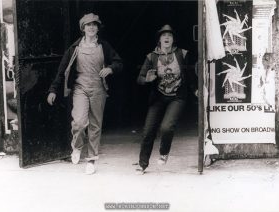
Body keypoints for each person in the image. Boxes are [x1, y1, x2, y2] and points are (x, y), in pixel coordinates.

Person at [47, 13, 123, 174]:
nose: (92, 27)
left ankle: (92, 160)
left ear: (98, 28)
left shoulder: (104, 46)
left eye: (95, 25)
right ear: (83, 28)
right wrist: (53, 89)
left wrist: (110, 68)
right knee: (80, 122)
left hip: (98, 88)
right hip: (80, 88)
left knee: (95, 125)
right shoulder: (75, 48)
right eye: (88, 25)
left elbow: (119, 62)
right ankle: (77, 146)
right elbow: (62, 70)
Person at [136, 24, 195, 174]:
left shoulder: (182, 53)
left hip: (177, 97)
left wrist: (196, 89)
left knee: (166, 127)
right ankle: (142, 164)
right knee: (148, 131)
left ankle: (164, 152)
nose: (166, 37)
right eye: (163, 35)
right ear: (159, 40)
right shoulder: (152, 56)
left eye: (169, 35)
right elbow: (140, 79)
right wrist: (147, 79)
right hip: (158, 98)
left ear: (173, 39)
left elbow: (190, 74)